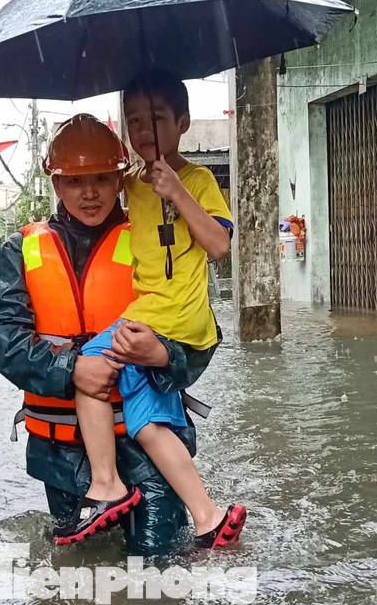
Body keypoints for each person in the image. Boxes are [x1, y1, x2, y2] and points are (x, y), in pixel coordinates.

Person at [0, 114, 217, 555]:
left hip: (149, 449)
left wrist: (165, 355)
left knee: (158, 566)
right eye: (75, 181)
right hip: (61, 456)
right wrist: (71, 369)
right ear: (56, 184)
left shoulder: (156, 239)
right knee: (78, 569)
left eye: (103, 178)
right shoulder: (22, 249)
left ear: (121, 180)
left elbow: (201, 330)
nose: (90, 193)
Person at [58, 71, 245, 550]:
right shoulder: (132, 184)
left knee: (90, 367)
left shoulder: (198, 180)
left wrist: (178, 193)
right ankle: (209, 517)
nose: (143, 130)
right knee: (147, 425)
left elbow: (219, 246)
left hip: (171, 318)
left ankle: (106, 485)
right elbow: (97, 189)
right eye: (134, 120)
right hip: (153, 316)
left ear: (183, 122)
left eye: (156, 119)